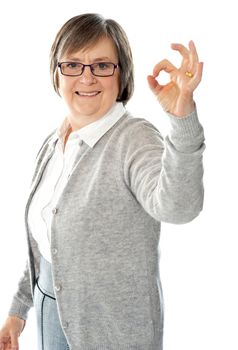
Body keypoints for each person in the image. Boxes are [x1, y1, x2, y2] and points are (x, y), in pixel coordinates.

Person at [0, 13, 205, 350]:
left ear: (121, 74)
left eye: (101, 65)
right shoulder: (56, 141)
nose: (87, 77)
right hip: (51, 314)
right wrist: (19, 308)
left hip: (113, 333)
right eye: (73, 65)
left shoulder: (134, 140)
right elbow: (47, 238)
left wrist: (182, 121)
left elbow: (179, 207)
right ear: (57, 73)